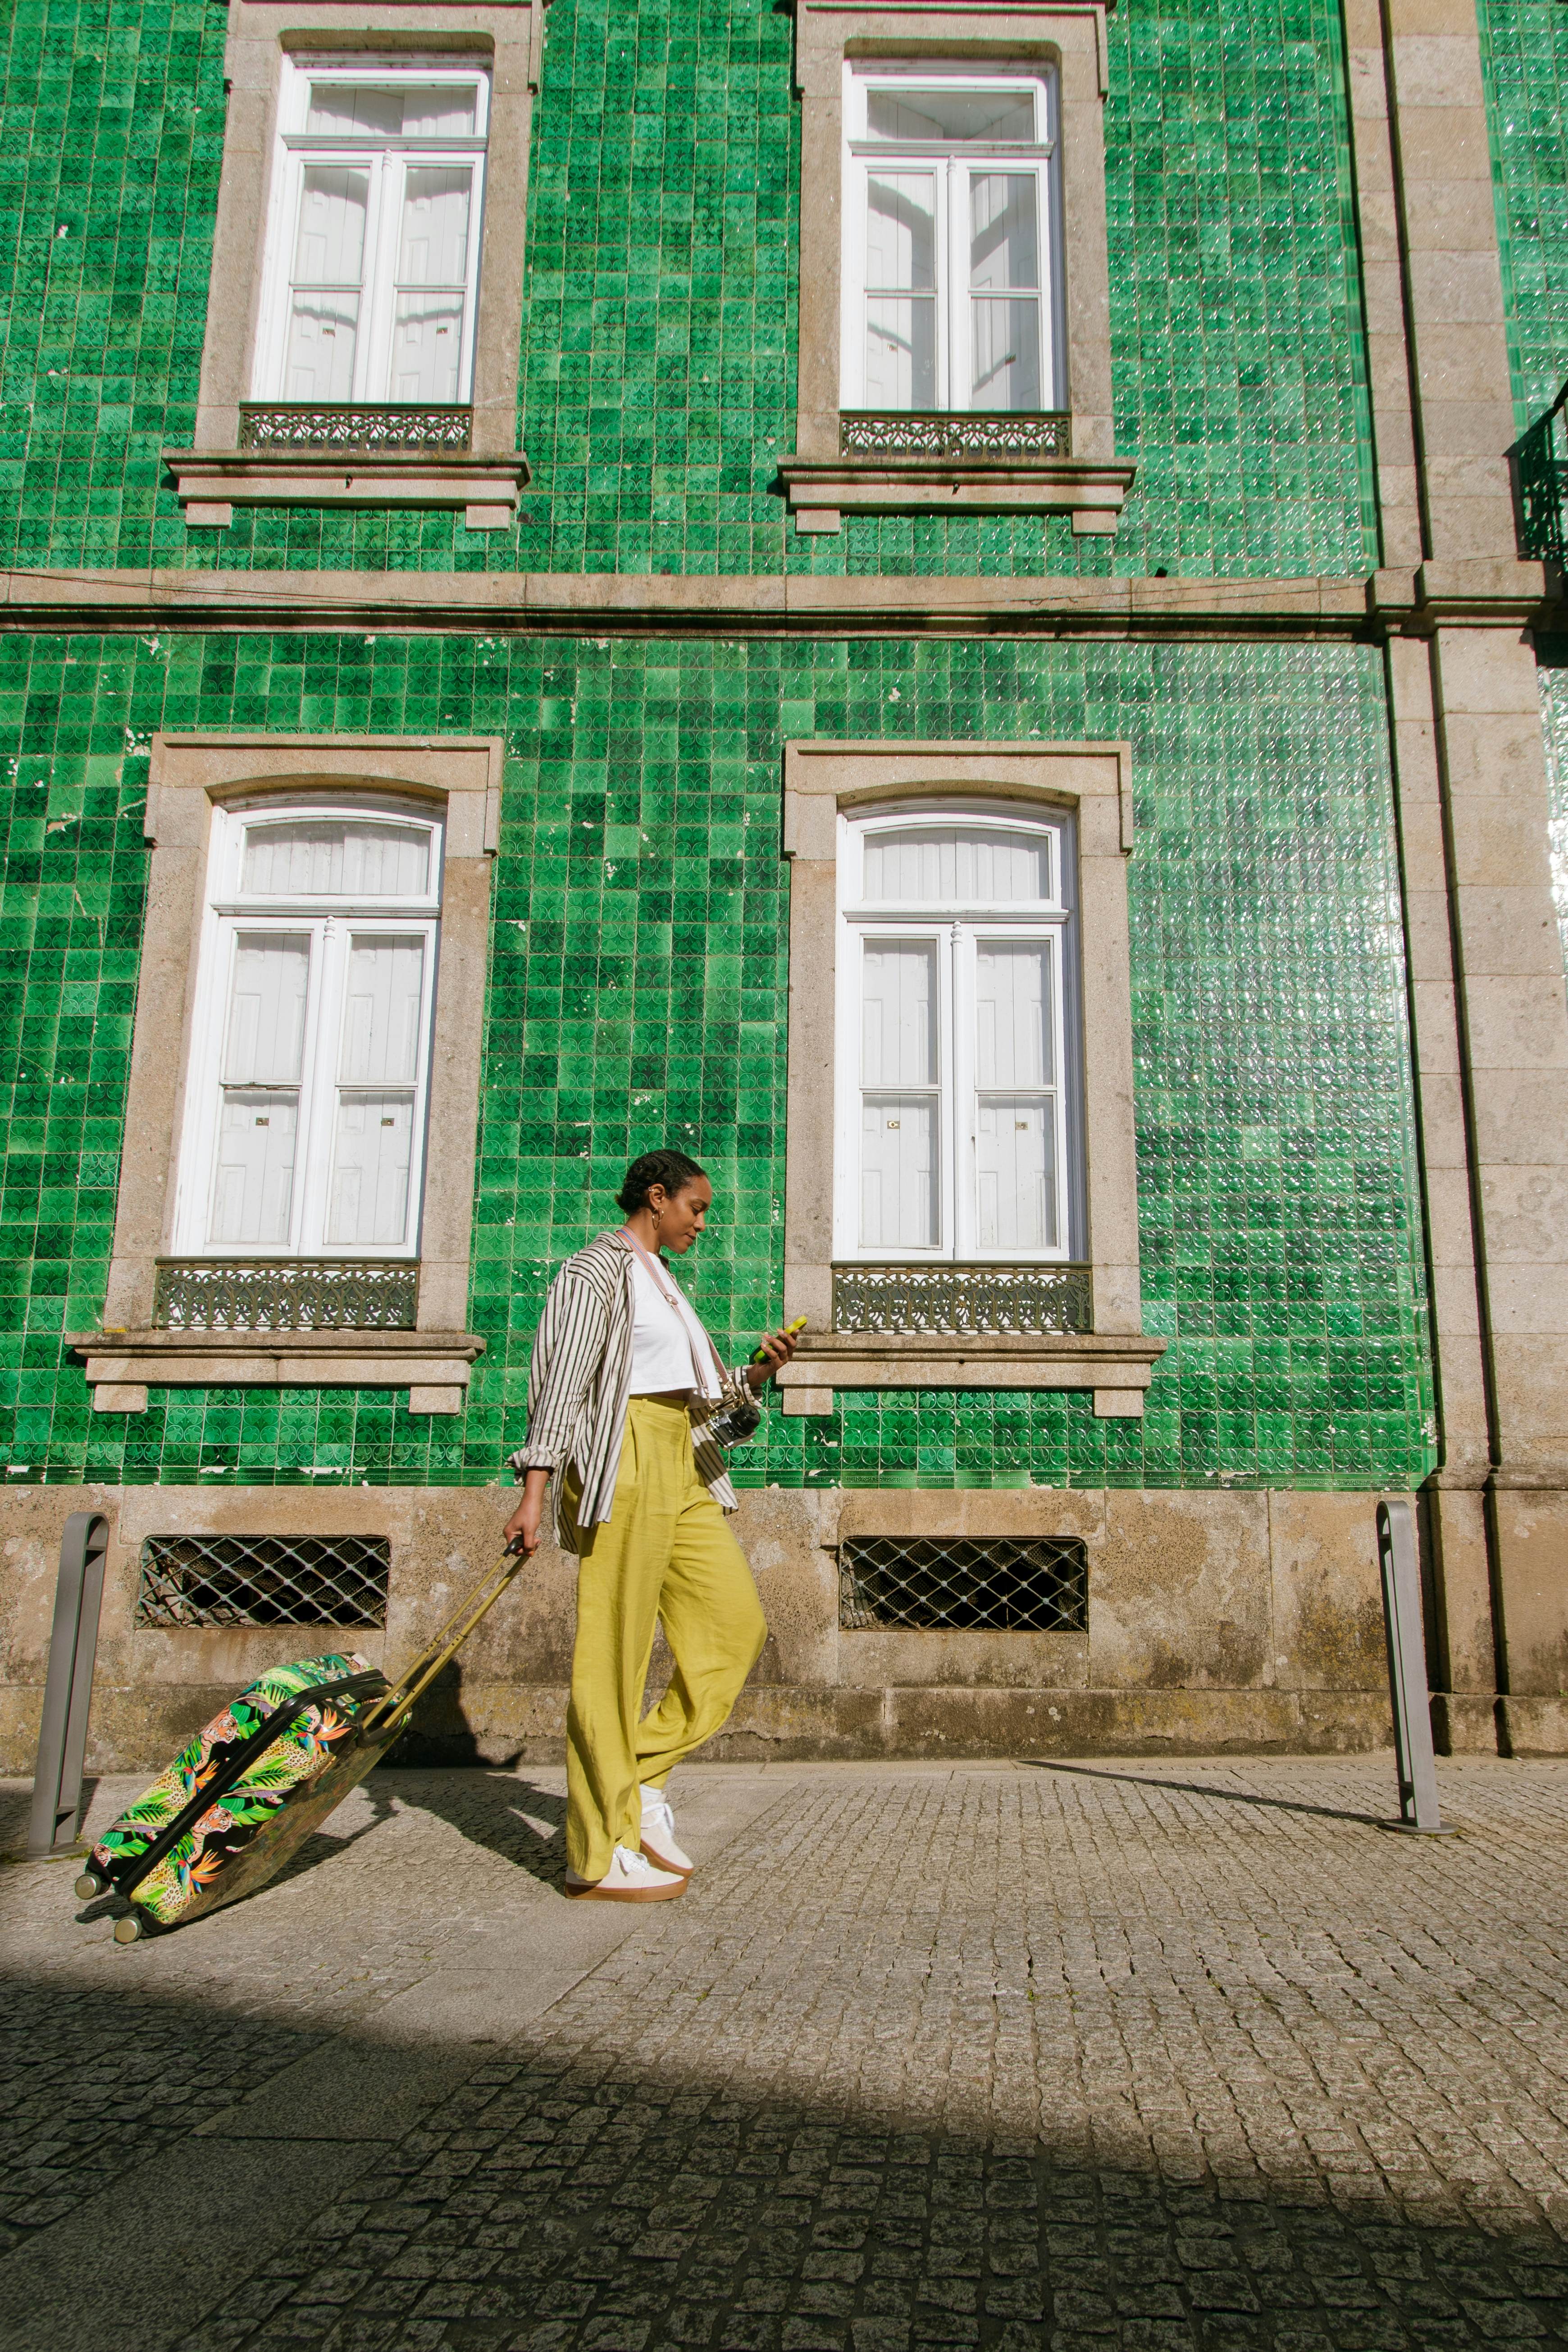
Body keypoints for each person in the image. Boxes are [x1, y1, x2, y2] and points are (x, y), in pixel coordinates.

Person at [503, 1149, 799, 1902]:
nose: (703, 1223)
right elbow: (561, 1382)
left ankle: (633, 1779)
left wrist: (759, 1372)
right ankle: (594, 1856)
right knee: (616, 1654)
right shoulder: (594, 1271)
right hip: (624, 1460)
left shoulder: (664, 1281)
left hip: (685, 1460)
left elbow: (695, 1395)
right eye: (696, 1209)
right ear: (657, 1197)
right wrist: (535, 1493)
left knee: (735, 1628)